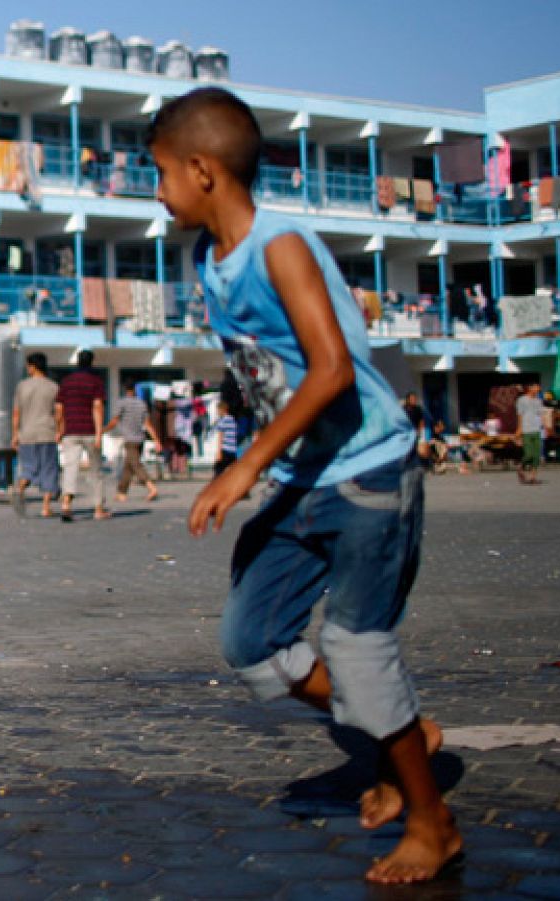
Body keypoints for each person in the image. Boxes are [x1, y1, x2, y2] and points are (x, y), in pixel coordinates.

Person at [152, 87, 457, 883]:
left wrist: (244, 464)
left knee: (357, 649)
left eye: (161, 173)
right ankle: (402, 735)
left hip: (365, 476)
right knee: (251, 642)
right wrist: (247, 449)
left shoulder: (280, 244)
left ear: (202, 170)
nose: (158, 192)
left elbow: (328, 370)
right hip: (297, 479)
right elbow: (257, 371)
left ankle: (432, 820)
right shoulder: (207, 262)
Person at [55, 349, 107, 522]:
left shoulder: (67, 382)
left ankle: (66, 504)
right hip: (90, 430)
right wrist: (99, 433)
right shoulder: (95, 381)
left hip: (70, 430)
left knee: (70, 468)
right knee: (95, 470)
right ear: (92, 362)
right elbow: (97, 407)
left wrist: (60, 429)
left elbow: (59, 409)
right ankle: (98, 508)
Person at [10, 352, 60, 517]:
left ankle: (20, 487)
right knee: (49, 469)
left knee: (29, 467)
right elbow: (58, 412)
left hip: (27, 434)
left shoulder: (22, 386)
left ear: (32, 366)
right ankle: (46, 507)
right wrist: (59, 430)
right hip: (47, 432)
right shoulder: (53, 387)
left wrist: (15, 434)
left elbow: (16, 413)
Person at [106, 379, 161, 503]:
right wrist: (156, 440)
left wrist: (103, 430)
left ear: (125, 389)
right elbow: (147, 424)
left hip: (129, 440)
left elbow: (114, 421)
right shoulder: (141, 404)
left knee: (136, 466)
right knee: (128, 467)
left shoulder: (122, 403)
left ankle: (151, 488)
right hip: (140, 439)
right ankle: (121, 493)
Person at [515, 382, 546, 485]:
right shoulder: (522, 400)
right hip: (526, 430)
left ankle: (533, 477)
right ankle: (520, 466)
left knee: (536, 456)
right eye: (536, 387)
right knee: (528, 454)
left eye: (538, 387)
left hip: (536, 430)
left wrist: (545, 427)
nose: (538, 389)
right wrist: (519, 428)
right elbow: (520, 415)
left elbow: (541, 414)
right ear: (530, 387)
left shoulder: (538, 401)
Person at [212, 400, 240, 476]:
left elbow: (220, 437)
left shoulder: (222, 421)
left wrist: (218, 452)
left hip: (225, 449)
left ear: (221, 410)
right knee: (233, 472)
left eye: (217, 410)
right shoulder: (233, 420)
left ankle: (216, 486)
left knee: (218, 470)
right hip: (233, 450)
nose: (217, 412)